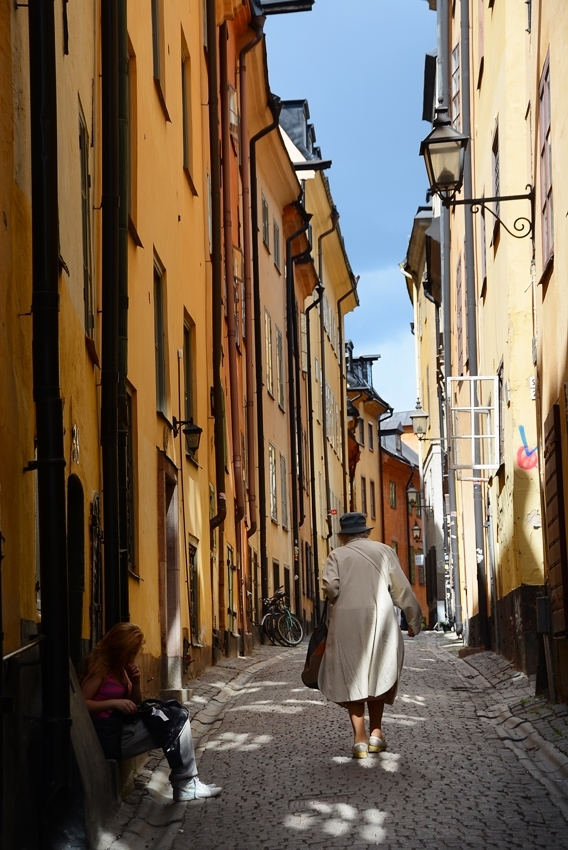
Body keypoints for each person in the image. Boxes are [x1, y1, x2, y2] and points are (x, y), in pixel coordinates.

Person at [318, 512, 423, 759]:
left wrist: (337, 598)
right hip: (381, 617)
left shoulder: (336, 555)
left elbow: (331, 588)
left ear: (344, 535)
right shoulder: (385, 551)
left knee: (351, 674)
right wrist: (414, 621)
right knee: (380, 672)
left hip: (347, 619)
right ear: (366, 531)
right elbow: (401, 588)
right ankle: (376, 733)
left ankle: (359, 740)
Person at [80, 622, 221, 802]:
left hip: (120, 728)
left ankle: (187, 782)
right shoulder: (100, 669)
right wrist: (114, 703)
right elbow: (82, 705)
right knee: (173, 722)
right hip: (108, 736)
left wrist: (135, 682)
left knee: (176, 714)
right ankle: (186, 784)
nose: (133, 656)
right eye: (131, 651)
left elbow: (134, 702)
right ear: (119, 647)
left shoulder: (122, 669)